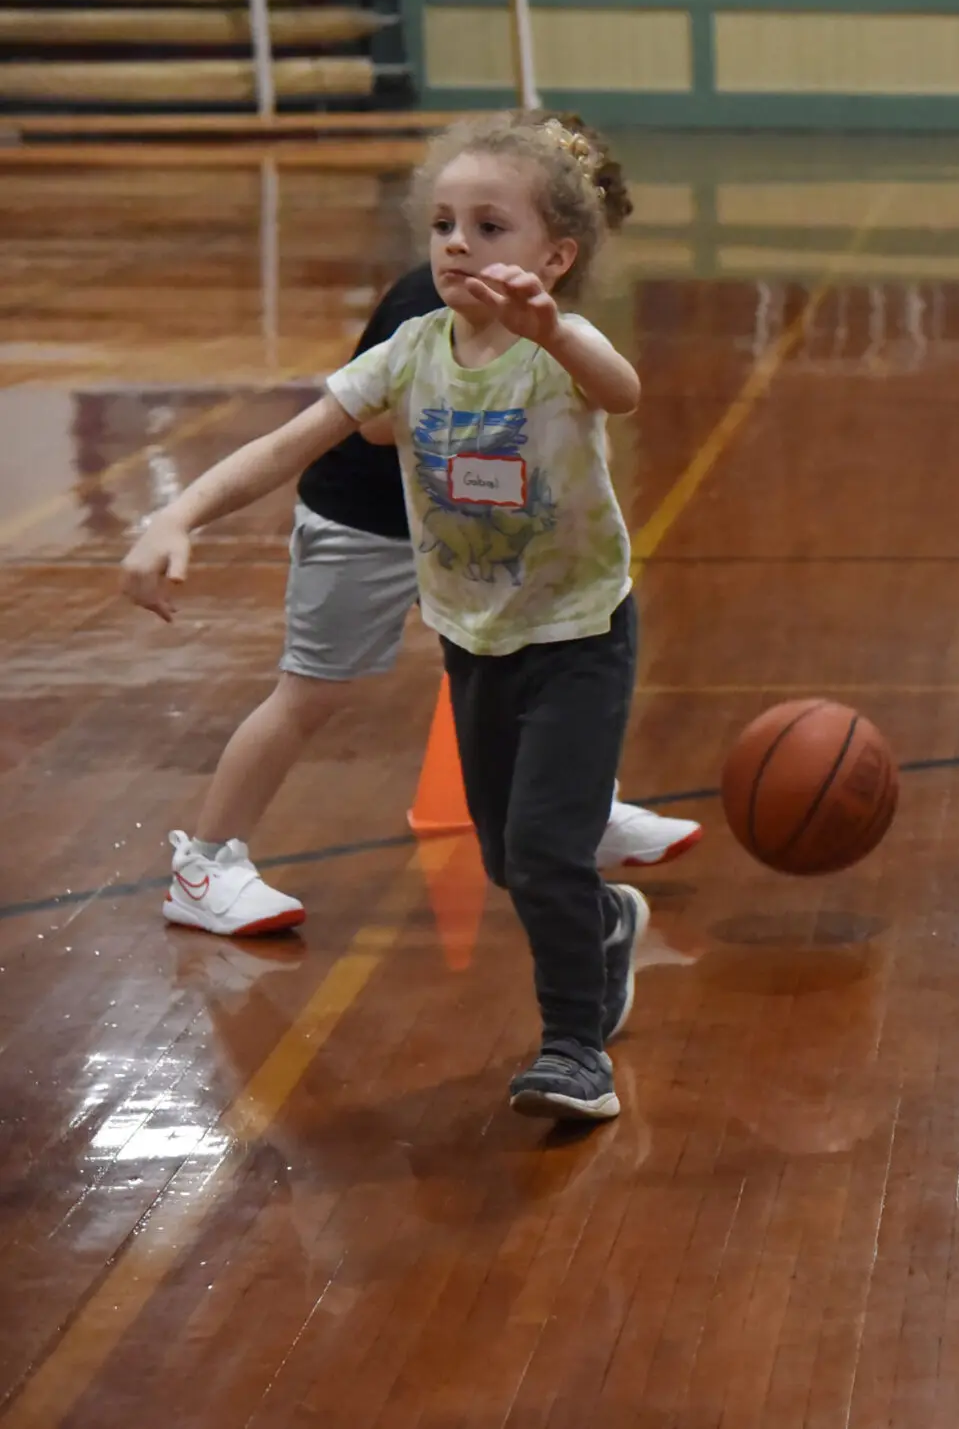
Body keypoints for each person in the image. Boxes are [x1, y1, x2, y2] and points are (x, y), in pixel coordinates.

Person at [123, 111, 654, 1123]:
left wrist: (553, 328)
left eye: (489, 225)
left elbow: (620, 390)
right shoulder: (411, 352)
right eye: (444, 222)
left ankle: (574, 1050)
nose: (458, 242)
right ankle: (601, 926)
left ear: (556, 253)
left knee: (541, 850)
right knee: (507, 859)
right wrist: (178, 513)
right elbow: (292, 445)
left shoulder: (561, 348)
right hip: (473, 638)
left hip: (580, 636)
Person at [156, 262, 700, 940]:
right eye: (452, 223)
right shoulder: (438, 303)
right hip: (368, 517)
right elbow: (373, 425)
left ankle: (576, 809)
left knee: (537, 653)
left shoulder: (546, 315)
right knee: (312, 692)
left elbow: (603, 400)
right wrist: (181, 514)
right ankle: (203, 867)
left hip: (468, 518)